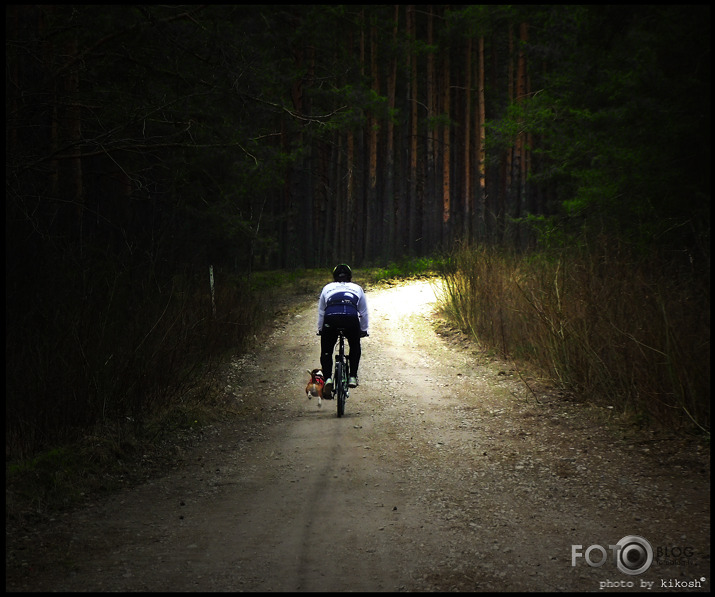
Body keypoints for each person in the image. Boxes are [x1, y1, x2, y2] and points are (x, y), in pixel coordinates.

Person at [317, 263, 369, 398]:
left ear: (334, 277)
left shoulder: (327, 287)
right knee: (354, 345)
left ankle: (328, 378)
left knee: (327, 350)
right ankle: (352, 376)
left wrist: (320, 329)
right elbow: (363, 312)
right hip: (351, 319)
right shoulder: (357, 288)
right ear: (350, 277)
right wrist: (363, 330)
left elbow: (321, 312)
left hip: (331, 319)